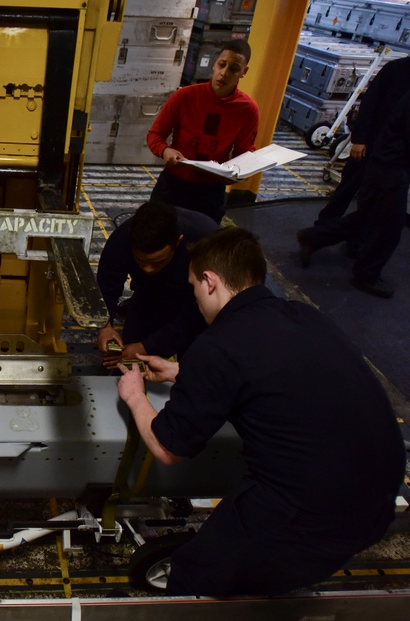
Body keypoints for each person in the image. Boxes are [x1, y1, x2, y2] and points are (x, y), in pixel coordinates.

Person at [116, 226, 404, 597]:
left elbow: (168, 448)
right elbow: (270, 373)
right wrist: (181, 373)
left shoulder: (216, 344)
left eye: (193, 287)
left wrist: (136, 395)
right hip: (381, 494)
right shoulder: (301, 315)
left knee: (197, 576)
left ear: (210, 281)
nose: (195, 298)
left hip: (311, 510)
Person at [296, 90, 410, 298]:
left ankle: (313, 237)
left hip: (384, 161)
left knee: (367, 216)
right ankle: (366, 275)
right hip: (392, 165)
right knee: (390, 226)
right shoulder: (397, 73)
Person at [146, 39, 259, 224]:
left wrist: (238, 174)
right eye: (222, 65)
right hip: (174, 184)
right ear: (215, 63)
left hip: (211, 191)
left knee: (203, 244)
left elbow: (244, 153)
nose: (224, 73)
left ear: (243, 72)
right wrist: (165, 151)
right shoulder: (185, 97)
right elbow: (155, 134)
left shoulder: (247, 109)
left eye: (233, 69)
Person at [95, 201, 218, 368]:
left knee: (193, 362)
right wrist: (105, 325)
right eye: (141, 260)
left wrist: (147, 347)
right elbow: (106, 289)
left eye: (157, 261)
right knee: (130, 352)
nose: (148, 269)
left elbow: (192, 318)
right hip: (148, 290)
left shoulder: (205, 243)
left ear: (178, 242)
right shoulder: (121, 240)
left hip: (196, 298)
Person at [313, 56, 410, 225]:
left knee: (374, 200)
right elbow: (370, 103)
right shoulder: (395, 69)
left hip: (395, 156)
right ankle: (322, 226)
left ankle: (357, 241)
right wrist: (359, 139)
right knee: (347, 188)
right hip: (371, 144)